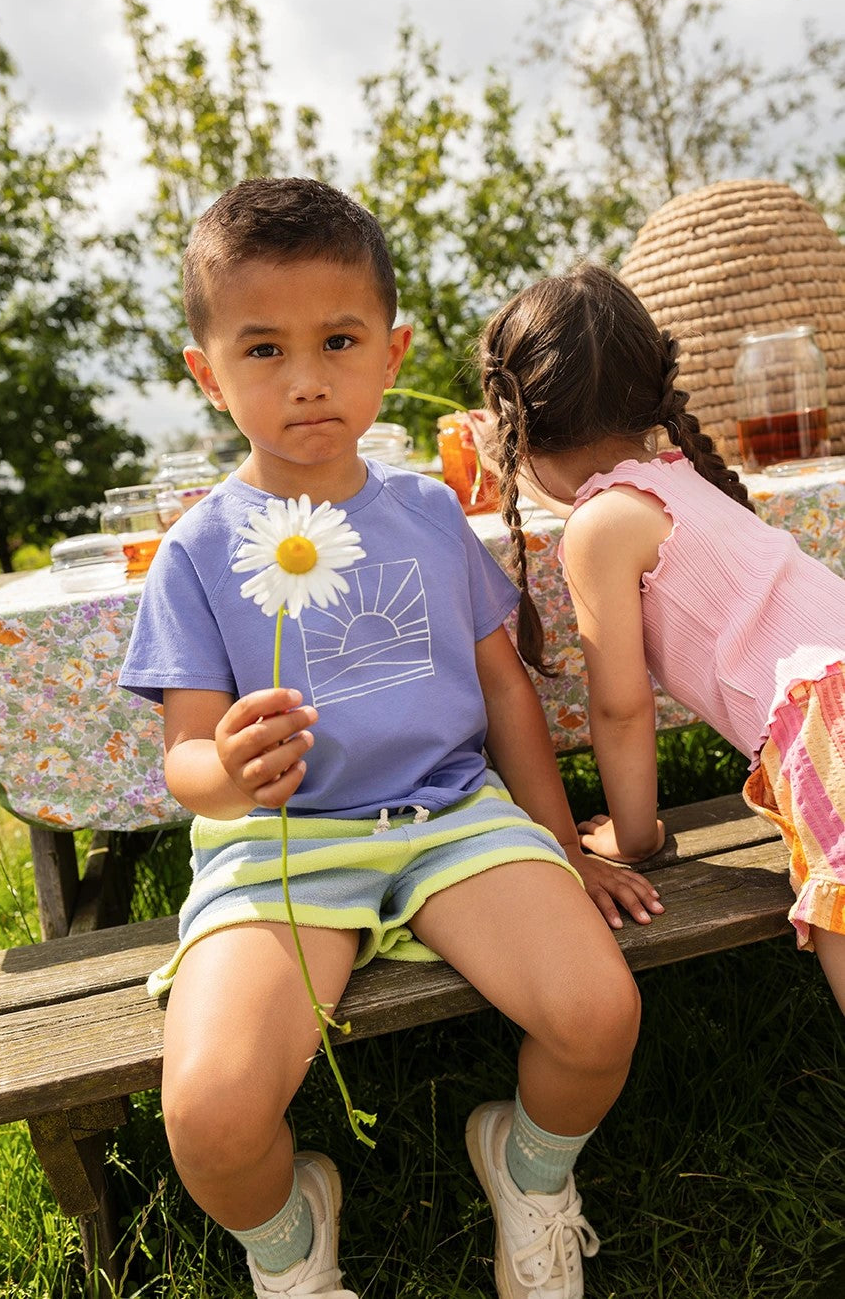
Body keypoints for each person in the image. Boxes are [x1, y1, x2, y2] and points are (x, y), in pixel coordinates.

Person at [118, 179, 643, 1299]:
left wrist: (562, 846)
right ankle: (292, 1245)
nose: (307, 378)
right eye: (262, 349)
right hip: (284, 848)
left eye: (339, 340)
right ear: (205, 372)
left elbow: (505, 695)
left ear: (392, 353)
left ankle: (530, 1169)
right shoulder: (198, 553)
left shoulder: (426, 517)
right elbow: (186, 762)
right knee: (210, 1116)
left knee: (600, 1014)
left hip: (452, 818)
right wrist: (229, 771)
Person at [473, 259, 845, 1018]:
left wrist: (636, 841)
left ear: (519, 424)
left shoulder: (602, 524)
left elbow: (620, 710)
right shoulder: (680, 477)